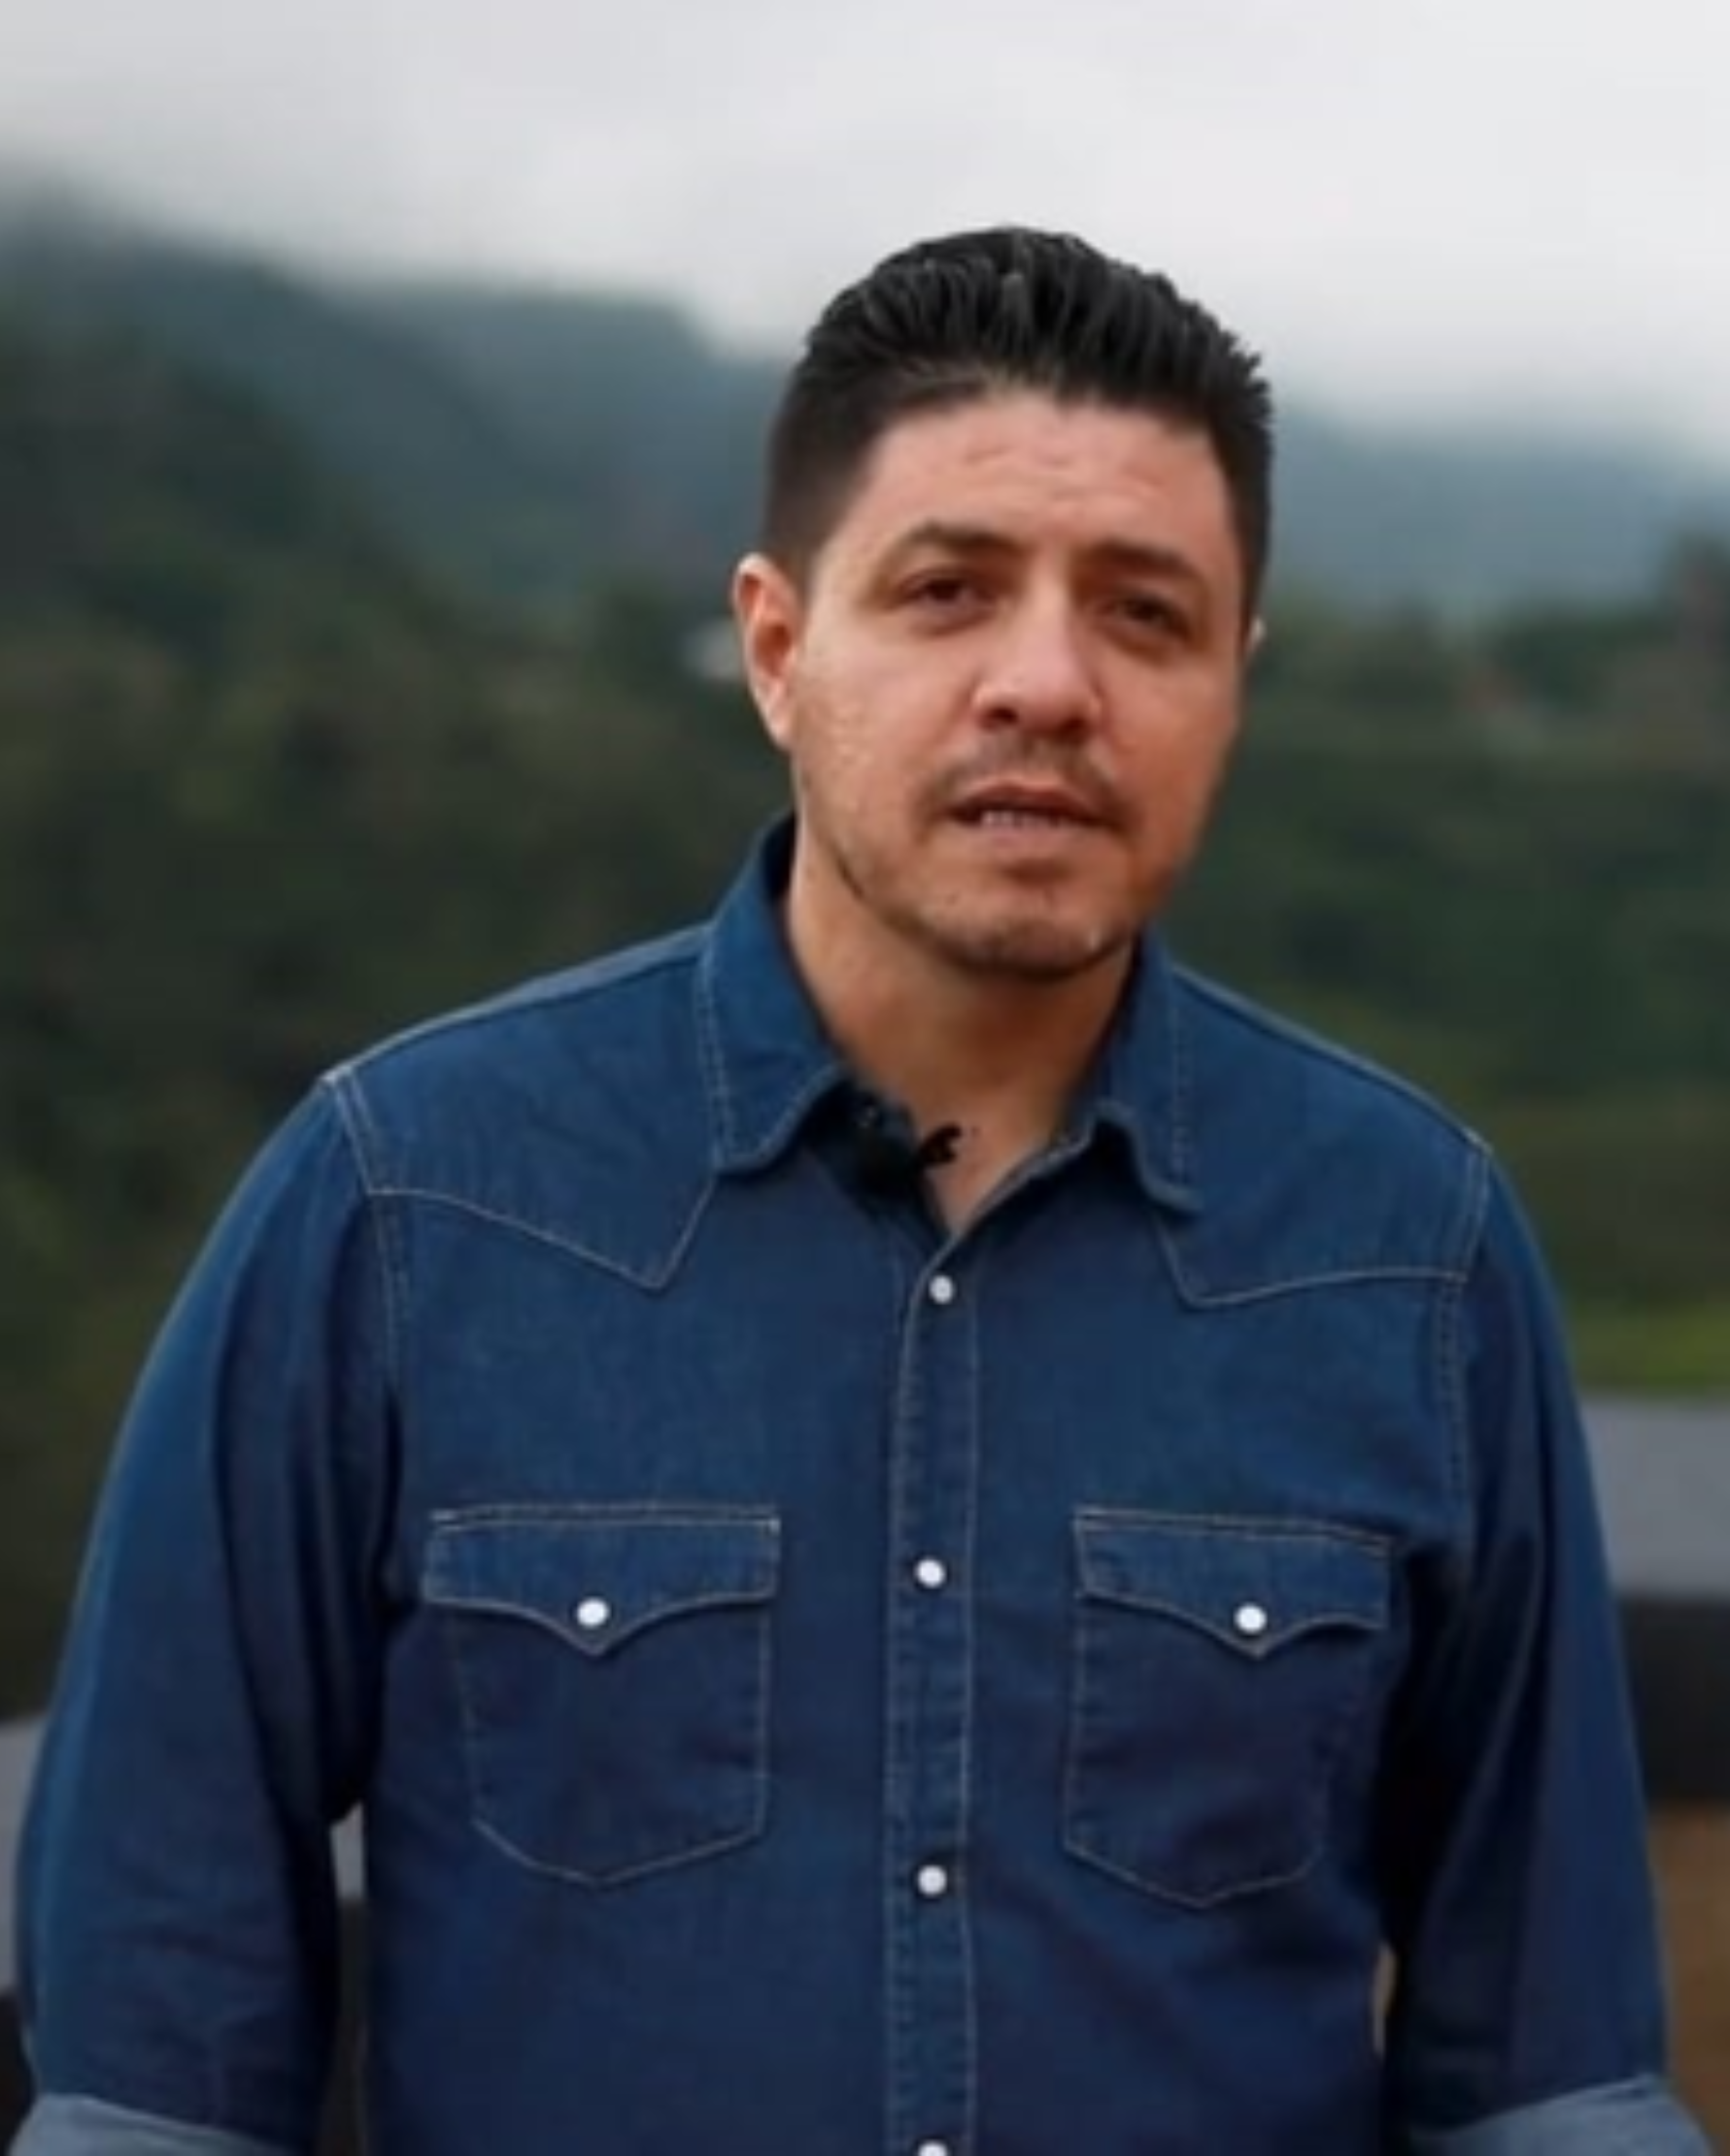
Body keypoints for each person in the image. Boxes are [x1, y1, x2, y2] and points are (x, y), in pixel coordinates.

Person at [12, 226, 1706, 2156]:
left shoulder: (1408, 1247)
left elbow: (1548, 2081)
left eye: (1143, 614)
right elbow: (153, 2078)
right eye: (947, 589)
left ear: (1231, 680)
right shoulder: (403, 1204)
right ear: (777, 646)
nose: (1046, 683)